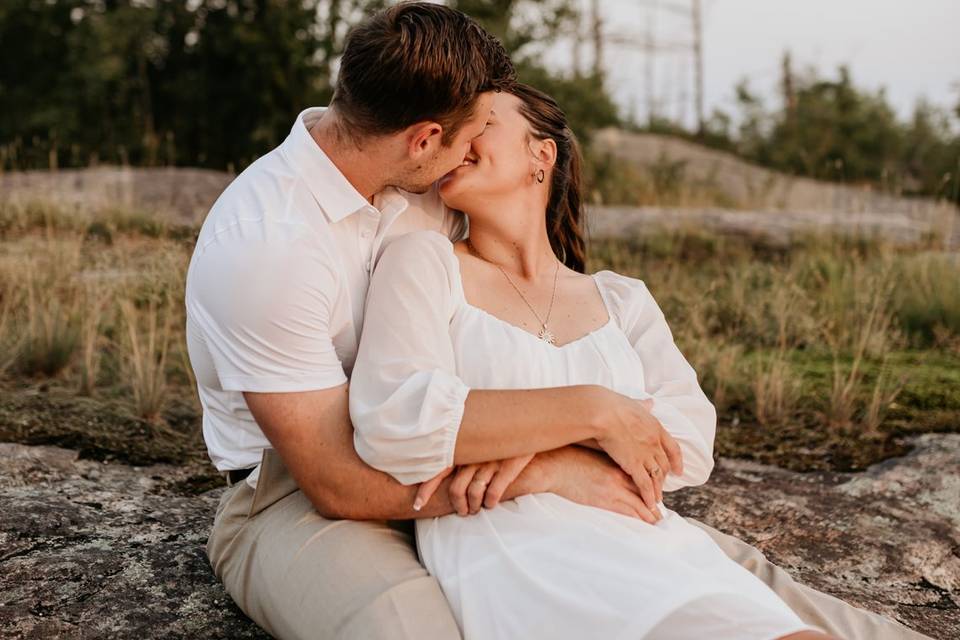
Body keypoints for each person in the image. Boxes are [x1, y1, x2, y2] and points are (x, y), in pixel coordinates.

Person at [185, 3, 932, 639]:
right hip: (312, 493)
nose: (470, 148)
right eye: (465, 132)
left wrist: (574, 463)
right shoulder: (267, 248)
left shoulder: (426, 190)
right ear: (424, 141)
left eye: (485, 131)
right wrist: (559, 459)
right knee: (409, 626)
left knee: (774, 594)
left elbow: (669, 421)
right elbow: (339, 480)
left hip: (485, 474)